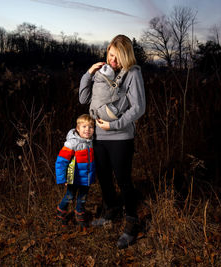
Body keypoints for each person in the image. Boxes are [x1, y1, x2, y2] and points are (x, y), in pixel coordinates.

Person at [79, 34, 146, 249]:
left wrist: (114, 126)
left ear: (125, 56)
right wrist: (89, 73)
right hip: (98, 136)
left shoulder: (133, 73)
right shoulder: (101, 73)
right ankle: (111, 211)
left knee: (123, 180)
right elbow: (83, 99)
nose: (112, 61)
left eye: (117, 57)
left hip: (120, 137)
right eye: (110, 55)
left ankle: (132, 224)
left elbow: (138, 108)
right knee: (104, 177)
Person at [55, 114, 95, 229]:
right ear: (77, 128)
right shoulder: (72, 143)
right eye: (84, 126)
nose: (87, 130)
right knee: (70, 196)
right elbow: (61, 161)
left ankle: (79, 214)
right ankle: (61, 212)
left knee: (83, 197)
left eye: (91, 127)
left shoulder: (91, 142)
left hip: (86, 178)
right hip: (74, 178)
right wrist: (63, 178)